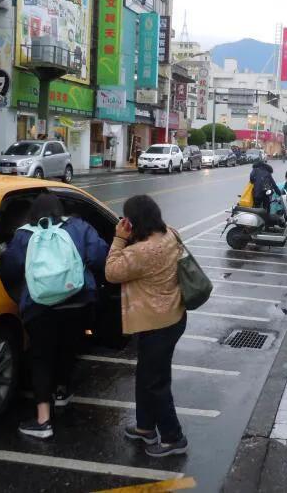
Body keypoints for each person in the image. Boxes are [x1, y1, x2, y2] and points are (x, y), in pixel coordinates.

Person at [0, 193, 109, 440]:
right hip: (79, 301)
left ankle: (43, 420)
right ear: (60, 210)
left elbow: (9, 269)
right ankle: (62, 392)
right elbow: (101, 257)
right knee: (69, 348)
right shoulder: (79, 227)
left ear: (33, 213)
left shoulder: (24, 234)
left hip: (40, 305)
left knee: (41, 357)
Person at [105, 195, 188, 458]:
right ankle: (145, 427)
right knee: (147, 376)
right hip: (173, 317)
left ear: (134, 221)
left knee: (156, 383)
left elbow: (112, 272)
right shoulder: (170, 235)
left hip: (157, 324)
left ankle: (173, 437)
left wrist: (119, 238)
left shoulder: (139, 252)